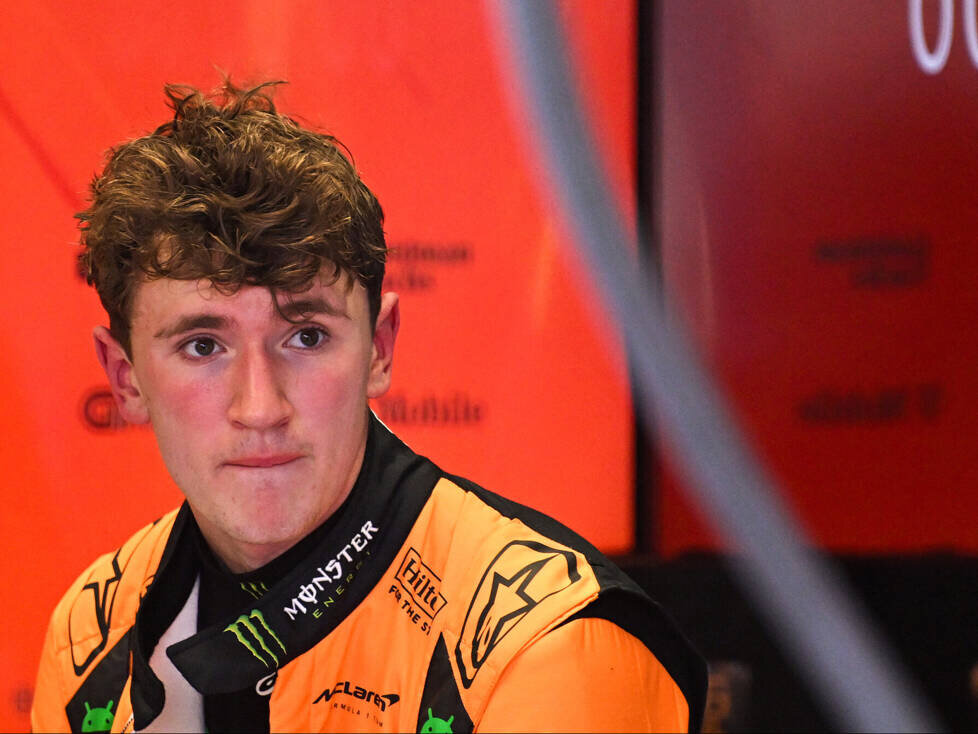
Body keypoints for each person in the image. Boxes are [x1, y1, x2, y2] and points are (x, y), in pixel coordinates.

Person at [32, 81, 706, 733]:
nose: (260, 407)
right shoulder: (91, 637)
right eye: (203, 346)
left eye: (306, 336)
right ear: (125, 379)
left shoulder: (545, 648)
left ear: (379, 348)